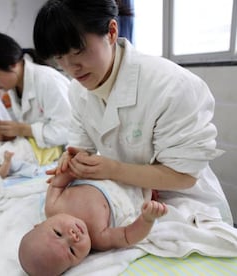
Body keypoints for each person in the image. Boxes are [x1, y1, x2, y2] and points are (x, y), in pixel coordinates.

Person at [32, 0, 233, 225]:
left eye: (78, 52)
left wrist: (114, 169)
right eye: (60, 59)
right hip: (130, 199)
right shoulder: (77, 91)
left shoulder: (172, 86)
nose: (71, 68)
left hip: (186, 204)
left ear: (111, 32)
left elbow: (183, 176)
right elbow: (82, 148)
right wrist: (74, 159)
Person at [18, 171, 168, 275]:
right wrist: (147, 219)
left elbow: (58, 182)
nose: (72, 237)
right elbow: (128, 235)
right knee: (157, 177)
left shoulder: (53, 206)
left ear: (40, 224)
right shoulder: (99, 239)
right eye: (72, 251)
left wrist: (72, 166)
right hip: (137, 188)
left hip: (106, 170)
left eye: (58, 233)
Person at [0, 30, 71, 149]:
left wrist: (23, 130)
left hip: (69, 151)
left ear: (12, 63)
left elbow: (67, 130)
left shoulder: (47, 80)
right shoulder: (15, 87)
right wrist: (12, 134)